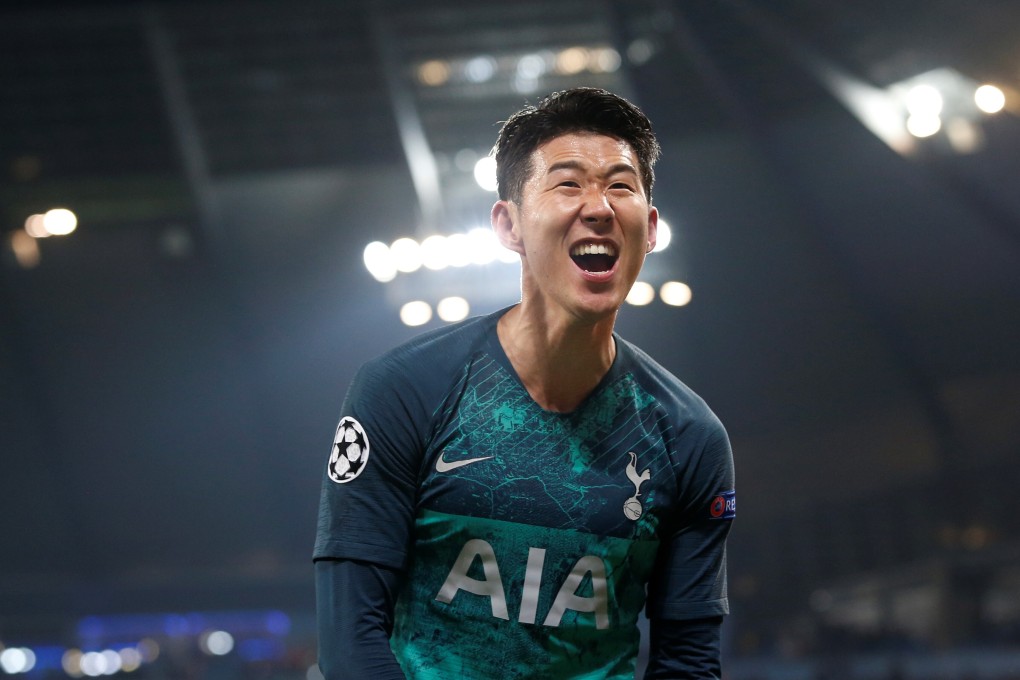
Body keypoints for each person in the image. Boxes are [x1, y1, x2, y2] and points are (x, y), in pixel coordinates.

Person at [314, 87, 736, 679]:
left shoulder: (688, 437)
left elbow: (688, 660)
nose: (599, 207)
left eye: (620, 185)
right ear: (508, 225)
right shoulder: (405, 390)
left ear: (651, 228)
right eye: (568, 183)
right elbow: (349, 638)